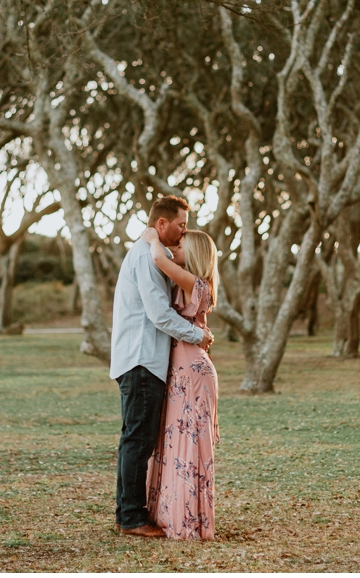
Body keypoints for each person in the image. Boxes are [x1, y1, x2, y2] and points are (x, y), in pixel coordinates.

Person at [110, 195, 213, 538]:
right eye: (181, 224)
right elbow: (159, 314)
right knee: (138, 440)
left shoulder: (155, 255)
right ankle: (132, 518)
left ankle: (126, 513)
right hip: (142, 360)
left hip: (146, 360)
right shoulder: (147, 257)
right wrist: (196, 335)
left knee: (135, 439)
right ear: (162, 223)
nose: (184, 230)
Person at [142, 227, 220, 540]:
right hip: (184, 369)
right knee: (175, 440)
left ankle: (189, 520)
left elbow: (159, 259)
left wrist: (152, 238)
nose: (176, 247)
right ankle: (174, 513)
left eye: (182, 244)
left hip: (192, 370)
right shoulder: (193, 282)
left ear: (196, 252)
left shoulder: (195, 282)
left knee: (188, 442)